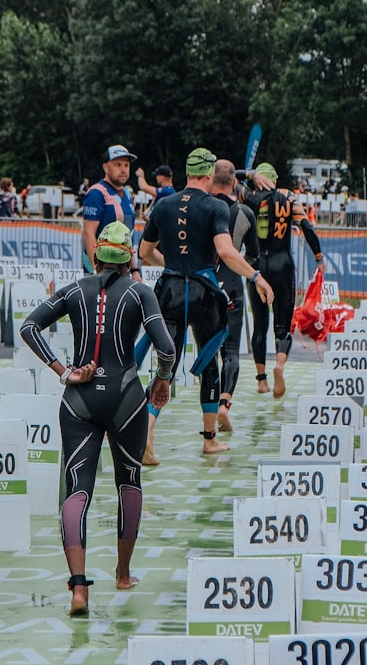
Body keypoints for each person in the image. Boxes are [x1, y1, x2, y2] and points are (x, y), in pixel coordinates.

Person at [20, 222, 177, 614]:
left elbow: (29, 327)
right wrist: (162, 380)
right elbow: (167, 348)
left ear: (95, 256)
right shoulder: (140, 293)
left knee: (77, 488)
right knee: (129, 481)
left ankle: (78, 588)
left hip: (80, 398)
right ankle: (122, 573)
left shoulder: (74, 290)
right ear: (128, 260)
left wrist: (64, 372)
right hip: (126, 399)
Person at [139, 147, 273, 457]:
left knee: (166, 364)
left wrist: (172, 265)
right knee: (209, 363)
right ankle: (209, 439)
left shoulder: (164, 204)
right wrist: (256, 277)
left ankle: (147, 431)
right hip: (203, 292)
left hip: (170, 291)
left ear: (187, 173)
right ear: (210, 174)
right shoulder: (216, 206)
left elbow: (144, 252)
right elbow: (225, 251)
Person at [245, 162, 323, 398]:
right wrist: (318, 257)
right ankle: (279, 365)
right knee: (282, 326)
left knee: (260, 324)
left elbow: (228, 176)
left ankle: (261, 380)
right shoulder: (288, 196)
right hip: (283, 264)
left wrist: (248, 174)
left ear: (258, 179)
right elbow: (306, 226)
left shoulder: (249, 195)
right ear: (275, 179)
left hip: (256, 265)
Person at [211, 159, 259, 431]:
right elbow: (253, 254)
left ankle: (207, 415)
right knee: (231, 351)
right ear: (234, 183)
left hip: (205, 283)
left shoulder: (202, 206)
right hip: (231, 284)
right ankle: (224, 403)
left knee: (208, 352)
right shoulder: (244, 212)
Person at [82, 145, 138, 273]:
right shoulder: (96, 193)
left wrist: (135, 270)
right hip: (101, 269)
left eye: (126, 165)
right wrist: (96, 271)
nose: (123, 170)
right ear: (106, 168)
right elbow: (88, 233)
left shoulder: (127, 194)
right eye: (118, 165)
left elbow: (128, 236)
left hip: (122, 269)